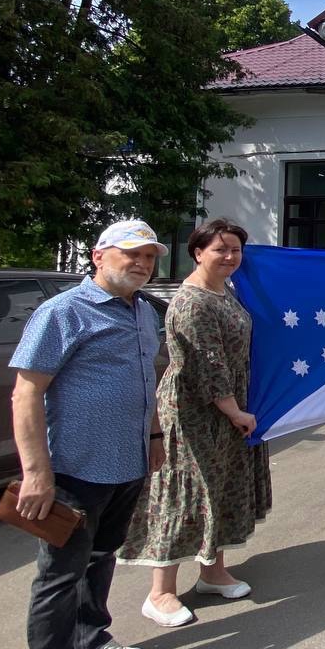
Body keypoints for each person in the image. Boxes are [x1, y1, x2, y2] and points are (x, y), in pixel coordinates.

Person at [9, 219, 168, 649]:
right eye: (130, 255)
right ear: (98, 256)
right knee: (59, 574)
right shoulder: (64, 312)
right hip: (74, 470)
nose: (141, 264)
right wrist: (38, 473)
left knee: (101, 557)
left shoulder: (142, 312)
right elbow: (26, 392)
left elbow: (147, 381)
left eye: (149, 257)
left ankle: (91, 640)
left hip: (126, 462)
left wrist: (157, 434)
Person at [118, 219, 272, 625]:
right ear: (198, 252)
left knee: (219, 488)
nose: (230, 257)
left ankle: (212, 571)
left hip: (225, 411)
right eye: (220, 249)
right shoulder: (191, 301)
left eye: (236, 250)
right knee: (184, 495)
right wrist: (234, 410)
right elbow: (207, 364)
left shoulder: (226, 293)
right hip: (193, 412)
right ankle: (161, 592)